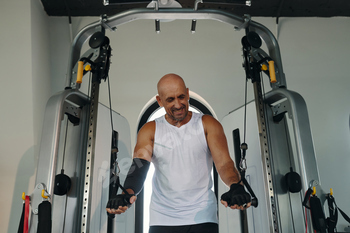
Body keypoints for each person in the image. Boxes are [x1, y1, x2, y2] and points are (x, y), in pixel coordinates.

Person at [106, 73, 251, 233]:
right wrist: (126, 194)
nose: (178, 104)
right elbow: (139, 166)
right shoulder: (150, 130)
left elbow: (224, 163)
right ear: (159, 101)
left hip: (203, 216)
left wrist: (235, 186)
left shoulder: (207, 124)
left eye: (181, 97)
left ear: (188, 94)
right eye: (170, 99)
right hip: (162, 218)